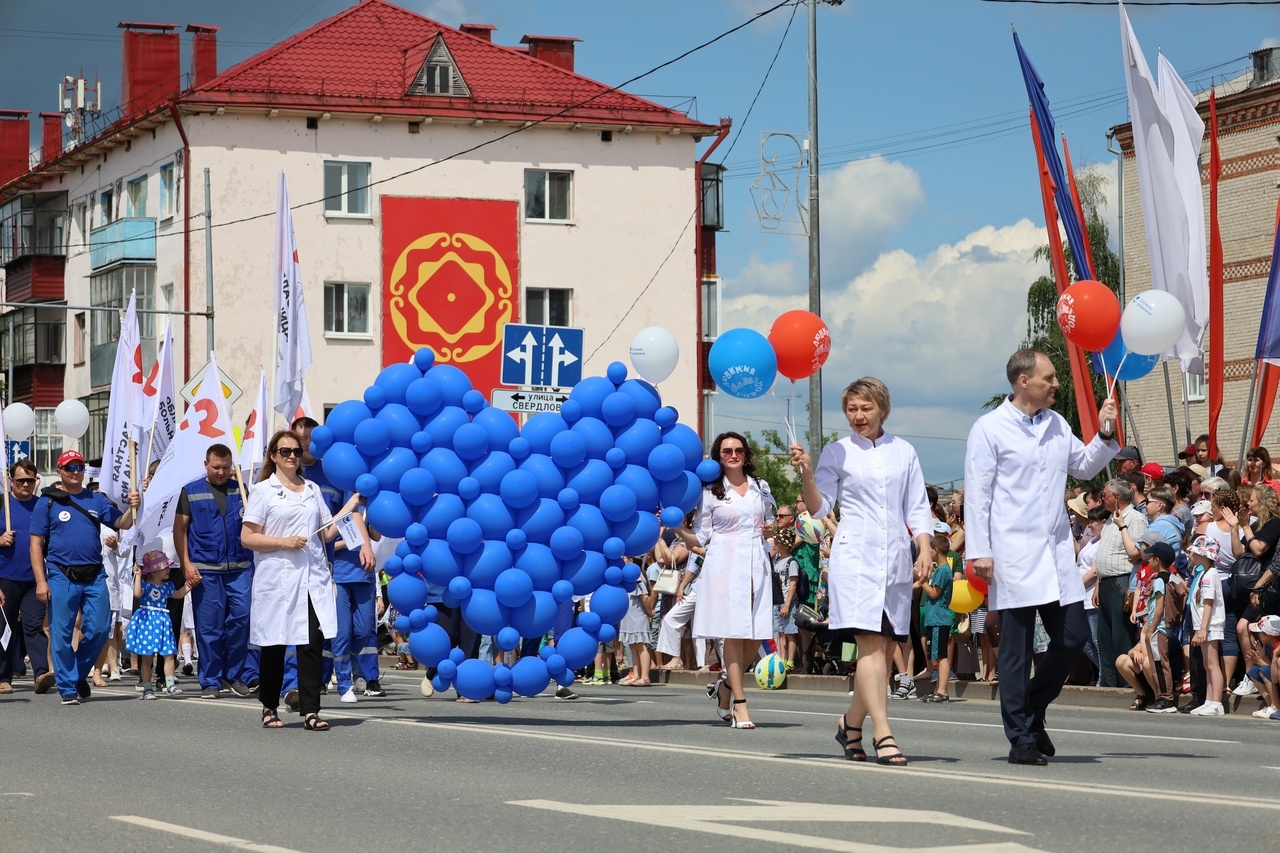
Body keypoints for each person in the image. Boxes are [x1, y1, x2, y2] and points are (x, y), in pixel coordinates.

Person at [964, 349, 1119, 765]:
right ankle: (1021, 739)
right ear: (1023, 381)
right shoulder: (990, 429)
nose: (1056, 384)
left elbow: (1084, 467)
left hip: (1053, 552)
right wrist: (979, 551)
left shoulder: (1055, 423)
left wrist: (1104, 435)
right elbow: (977, 495)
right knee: (1014, 653)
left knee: (1073, 637)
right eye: (1049, 378)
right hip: (1011, 554)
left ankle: (1033, 706)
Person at [791, 377, 933, 766]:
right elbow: (820, 508)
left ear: (881, 408)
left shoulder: (903, 451)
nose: (858, 416)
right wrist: (806, 472)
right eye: (852, 409)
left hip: (896, 563)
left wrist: (923, 548)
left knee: (886, 650)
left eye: (865, 408)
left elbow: (917, 507)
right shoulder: (838, 453)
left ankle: (850, 724)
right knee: (871, 645)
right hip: (855, 561)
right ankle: (883, 733)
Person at [241, 430, 359, 731]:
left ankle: (310, 710)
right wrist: (283, 542)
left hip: (311, 578)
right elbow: (247, 537)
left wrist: (351, 506)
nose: (292, 456)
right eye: (285, 451)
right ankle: (269, 706)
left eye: (296, 450)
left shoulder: (312, 489)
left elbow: (327, 533)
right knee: (275, 644)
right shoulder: (262, 491)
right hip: (277, 579)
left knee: (311, 645)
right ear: (273, 456)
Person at [674, 431, 775, 730]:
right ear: (718, 456)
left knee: (756, 632)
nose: (733, 455)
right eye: (727, 450)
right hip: (724, 562)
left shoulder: (761, 486)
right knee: (734, 632)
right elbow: (701, 538)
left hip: (757, 560)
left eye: (739, 450)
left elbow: (766, 524)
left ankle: (726, 685)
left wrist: (769, 532)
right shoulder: (709, 493)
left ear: (746, 454)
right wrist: (678, 527)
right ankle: (741, 705)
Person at [30, 450, 139, 706]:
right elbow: (36, 544)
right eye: (70, 467)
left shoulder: (97, 500)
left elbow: (121, 523)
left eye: (79, 467)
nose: (76, 472)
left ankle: (77, 673)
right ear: (60, 471)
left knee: (100, 628)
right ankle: (68, 687)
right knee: (62, 633)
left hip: (93, 575)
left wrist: (134, 507)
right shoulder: (46, 502)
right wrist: (41, 581)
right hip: (60, 574)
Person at [174, 444, 255, 700]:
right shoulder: (191, 491)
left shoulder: (242, 491)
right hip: (206, 571)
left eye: (225, 467)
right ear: (206, 464)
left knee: (241, 621)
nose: (221, 472)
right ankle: (210, 680)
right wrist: (186, 563)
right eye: (216, 467)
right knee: (209, 629)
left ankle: (233, 675)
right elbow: (180, 530)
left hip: (241, 569)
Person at [0, 460, 52, 695]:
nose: (25, 484)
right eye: (20, 480)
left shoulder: (42, 506)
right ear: (11, 480)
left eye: (30, 480)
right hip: (5, 578)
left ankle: (41, 674)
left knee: (34, 627)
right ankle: (3, 676)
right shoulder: (2, 505)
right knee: (5, 628)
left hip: (34, 579)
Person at [1093, 478, 1148, 688]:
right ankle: (1109, 683)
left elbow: (1136, 554)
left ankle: (1128, 685)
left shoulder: (1134, 518)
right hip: (1106, 582)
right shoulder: (1110, 519)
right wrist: (1098, 584)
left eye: (1104, 496)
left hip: (1121, 581)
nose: (1101, 500)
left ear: (1115, 497)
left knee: (1121, 636)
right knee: (1104, 637)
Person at [330, 497, 382, 703]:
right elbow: (326, 542)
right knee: (342, 633)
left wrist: (376, 516)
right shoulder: (338, 504)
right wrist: (356, 540)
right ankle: (344, 684)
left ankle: (346, 662)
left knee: (364, 630)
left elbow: (376, 537)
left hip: (364, 575)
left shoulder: (368, 505)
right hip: (340, 577)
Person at [125, 550, 191, 699]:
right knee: (148, 657)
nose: (168, 570)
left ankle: (170, 685)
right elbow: (137, 594)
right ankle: (147, 688)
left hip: (162, 622)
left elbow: (179, 594)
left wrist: (190, 585)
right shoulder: (145, 585)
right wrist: (138, 575)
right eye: (165, 567)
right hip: (148, 622)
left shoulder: (168, 586)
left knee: (169, 654)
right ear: (154, 571)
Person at [1187, 535, 1226, 716]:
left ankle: (1216, 702)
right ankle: (1209, 700)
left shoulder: (1210, 574)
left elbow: (1208, 603)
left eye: (1194, 552)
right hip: (1204, 625)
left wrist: (1203, 629)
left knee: (1212, 664)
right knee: (1206, 663)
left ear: (1203, 555)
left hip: (1210, 625)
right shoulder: (1203, 573)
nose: (1190, 554)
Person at [921, 533, 955, 703]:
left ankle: (942, 690)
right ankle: (937, 689)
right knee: (936, 655)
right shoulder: (940, 570)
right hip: (934, 619)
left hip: (939, 619)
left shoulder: (943, 571)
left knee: (941, 656)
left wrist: (921, 581)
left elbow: (934, 593)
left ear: (935, 550)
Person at [618, 560, 656, 687]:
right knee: (633, 646)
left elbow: (644, 597)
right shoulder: (625, 576)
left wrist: (650, 612)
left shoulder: (636, 576)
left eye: (625, 557)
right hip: (628, 616)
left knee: (641, 646)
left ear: (631, 560)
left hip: (637, 615)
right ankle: (636, 675)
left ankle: (645, 677)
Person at [770, 526, 800, 670]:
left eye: (778, 542)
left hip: (788, 603)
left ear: (785, 544)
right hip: (777, 601)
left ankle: (791, 661)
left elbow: (793, 584)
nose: (775, 544)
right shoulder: (776, 561)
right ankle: (782, 659)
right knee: (780, 632)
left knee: (790, 632)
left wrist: (787, 604)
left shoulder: (791, 562)